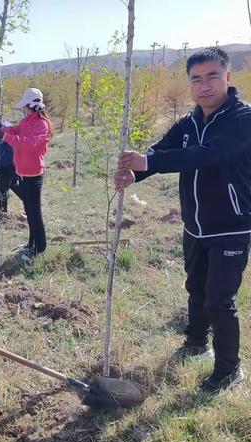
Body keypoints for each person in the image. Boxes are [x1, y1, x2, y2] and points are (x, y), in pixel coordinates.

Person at [115, 47, 251, 393]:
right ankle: (195, 343)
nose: (204, 86)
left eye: (212, 77)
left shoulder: (242, 119)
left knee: (220, 300)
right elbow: (160, 152)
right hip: (195, 225)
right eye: (196, 79)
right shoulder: (189, 122)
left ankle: (229, 369)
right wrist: (136, 175)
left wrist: (147, 163)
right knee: (196, 288)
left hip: (232, 226)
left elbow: (207, 155)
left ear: (228, 77)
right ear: (189, 83)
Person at [0, 88, 53, 261]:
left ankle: (38, 247)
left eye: (24, 106)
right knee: (29, 210)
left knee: (34, 212)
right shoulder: (26, 122)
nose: (22, 109)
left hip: (34, 176)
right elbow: (14, 130)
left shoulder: (41, 124)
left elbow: (29, 144)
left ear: (32, 105)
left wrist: (5, 137)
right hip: (23, 173)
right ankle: (31, 243)